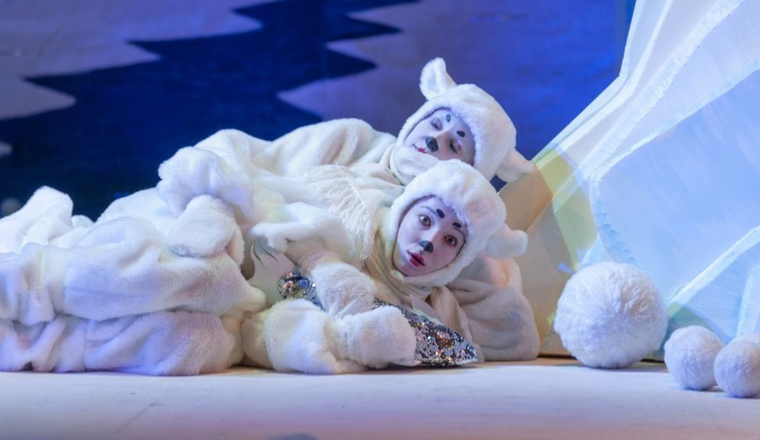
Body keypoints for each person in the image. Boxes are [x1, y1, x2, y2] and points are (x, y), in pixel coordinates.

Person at [0, 162, 520, 374]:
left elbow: (499, 339)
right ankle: (19, 287)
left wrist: (342, 340)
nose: (429, 241)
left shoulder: (424, 309)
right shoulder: (351, 203)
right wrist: (214, 209)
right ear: (405, 209)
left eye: (452, 240)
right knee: (194, 277)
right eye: (426, 219)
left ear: (461, 259)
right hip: (217, 241)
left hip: (244, 308)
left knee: (192, 340)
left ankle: (26, 346)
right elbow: (261, 190)